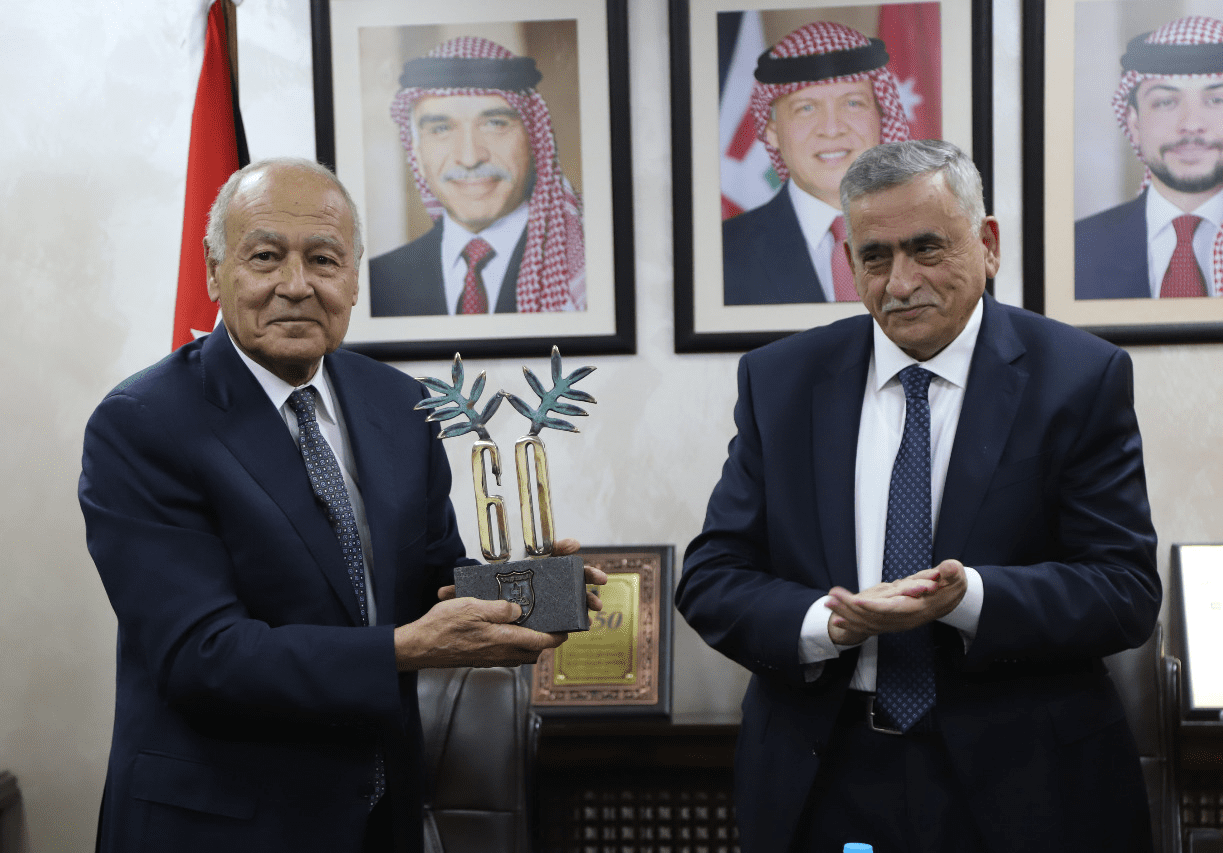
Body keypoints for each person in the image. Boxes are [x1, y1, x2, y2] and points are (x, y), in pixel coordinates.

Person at [79, 158, 605, 853]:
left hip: (380, 819)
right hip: (221, 826)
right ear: (214, 270)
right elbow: (201, 656)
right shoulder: (143, 423)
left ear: (354, 278)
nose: (296, 285)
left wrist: (527, 594)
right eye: (265, 257)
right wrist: (406, 648)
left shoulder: (399, 404)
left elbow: (429, 585)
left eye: (323, 259)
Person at [679, 140, 1160, 853]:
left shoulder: (1078, 377)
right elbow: (713, 577)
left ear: (988, 244)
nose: (901, 282)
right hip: (826, 776)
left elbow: (1124, 589)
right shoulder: (780, 381)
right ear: (850, 263)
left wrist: (967, 598)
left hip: (1023, 780)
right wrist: (829, 623)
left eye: (927, 248)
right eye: (875, 257)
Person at [369, 35, 586, 316]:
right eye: (441, 129)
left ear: (534, 142)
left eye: (495, 124)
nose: (470, 157)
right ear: (418, 155)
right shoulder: (376, 283)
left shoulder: (588, 267)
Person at [1076, 15, 1223, 299]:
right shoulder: (1076, 249)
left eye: (1217, 100)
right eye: (1165, 102)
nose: (1191, 124)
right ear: (1134, 124)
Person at [722, 20, 911, 306]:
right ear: (772, 132)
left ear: (882, 118)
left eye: (853, 103)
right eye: (806, 108)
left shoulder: (933, 238)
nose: (832, 129)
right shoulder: (722, 254)